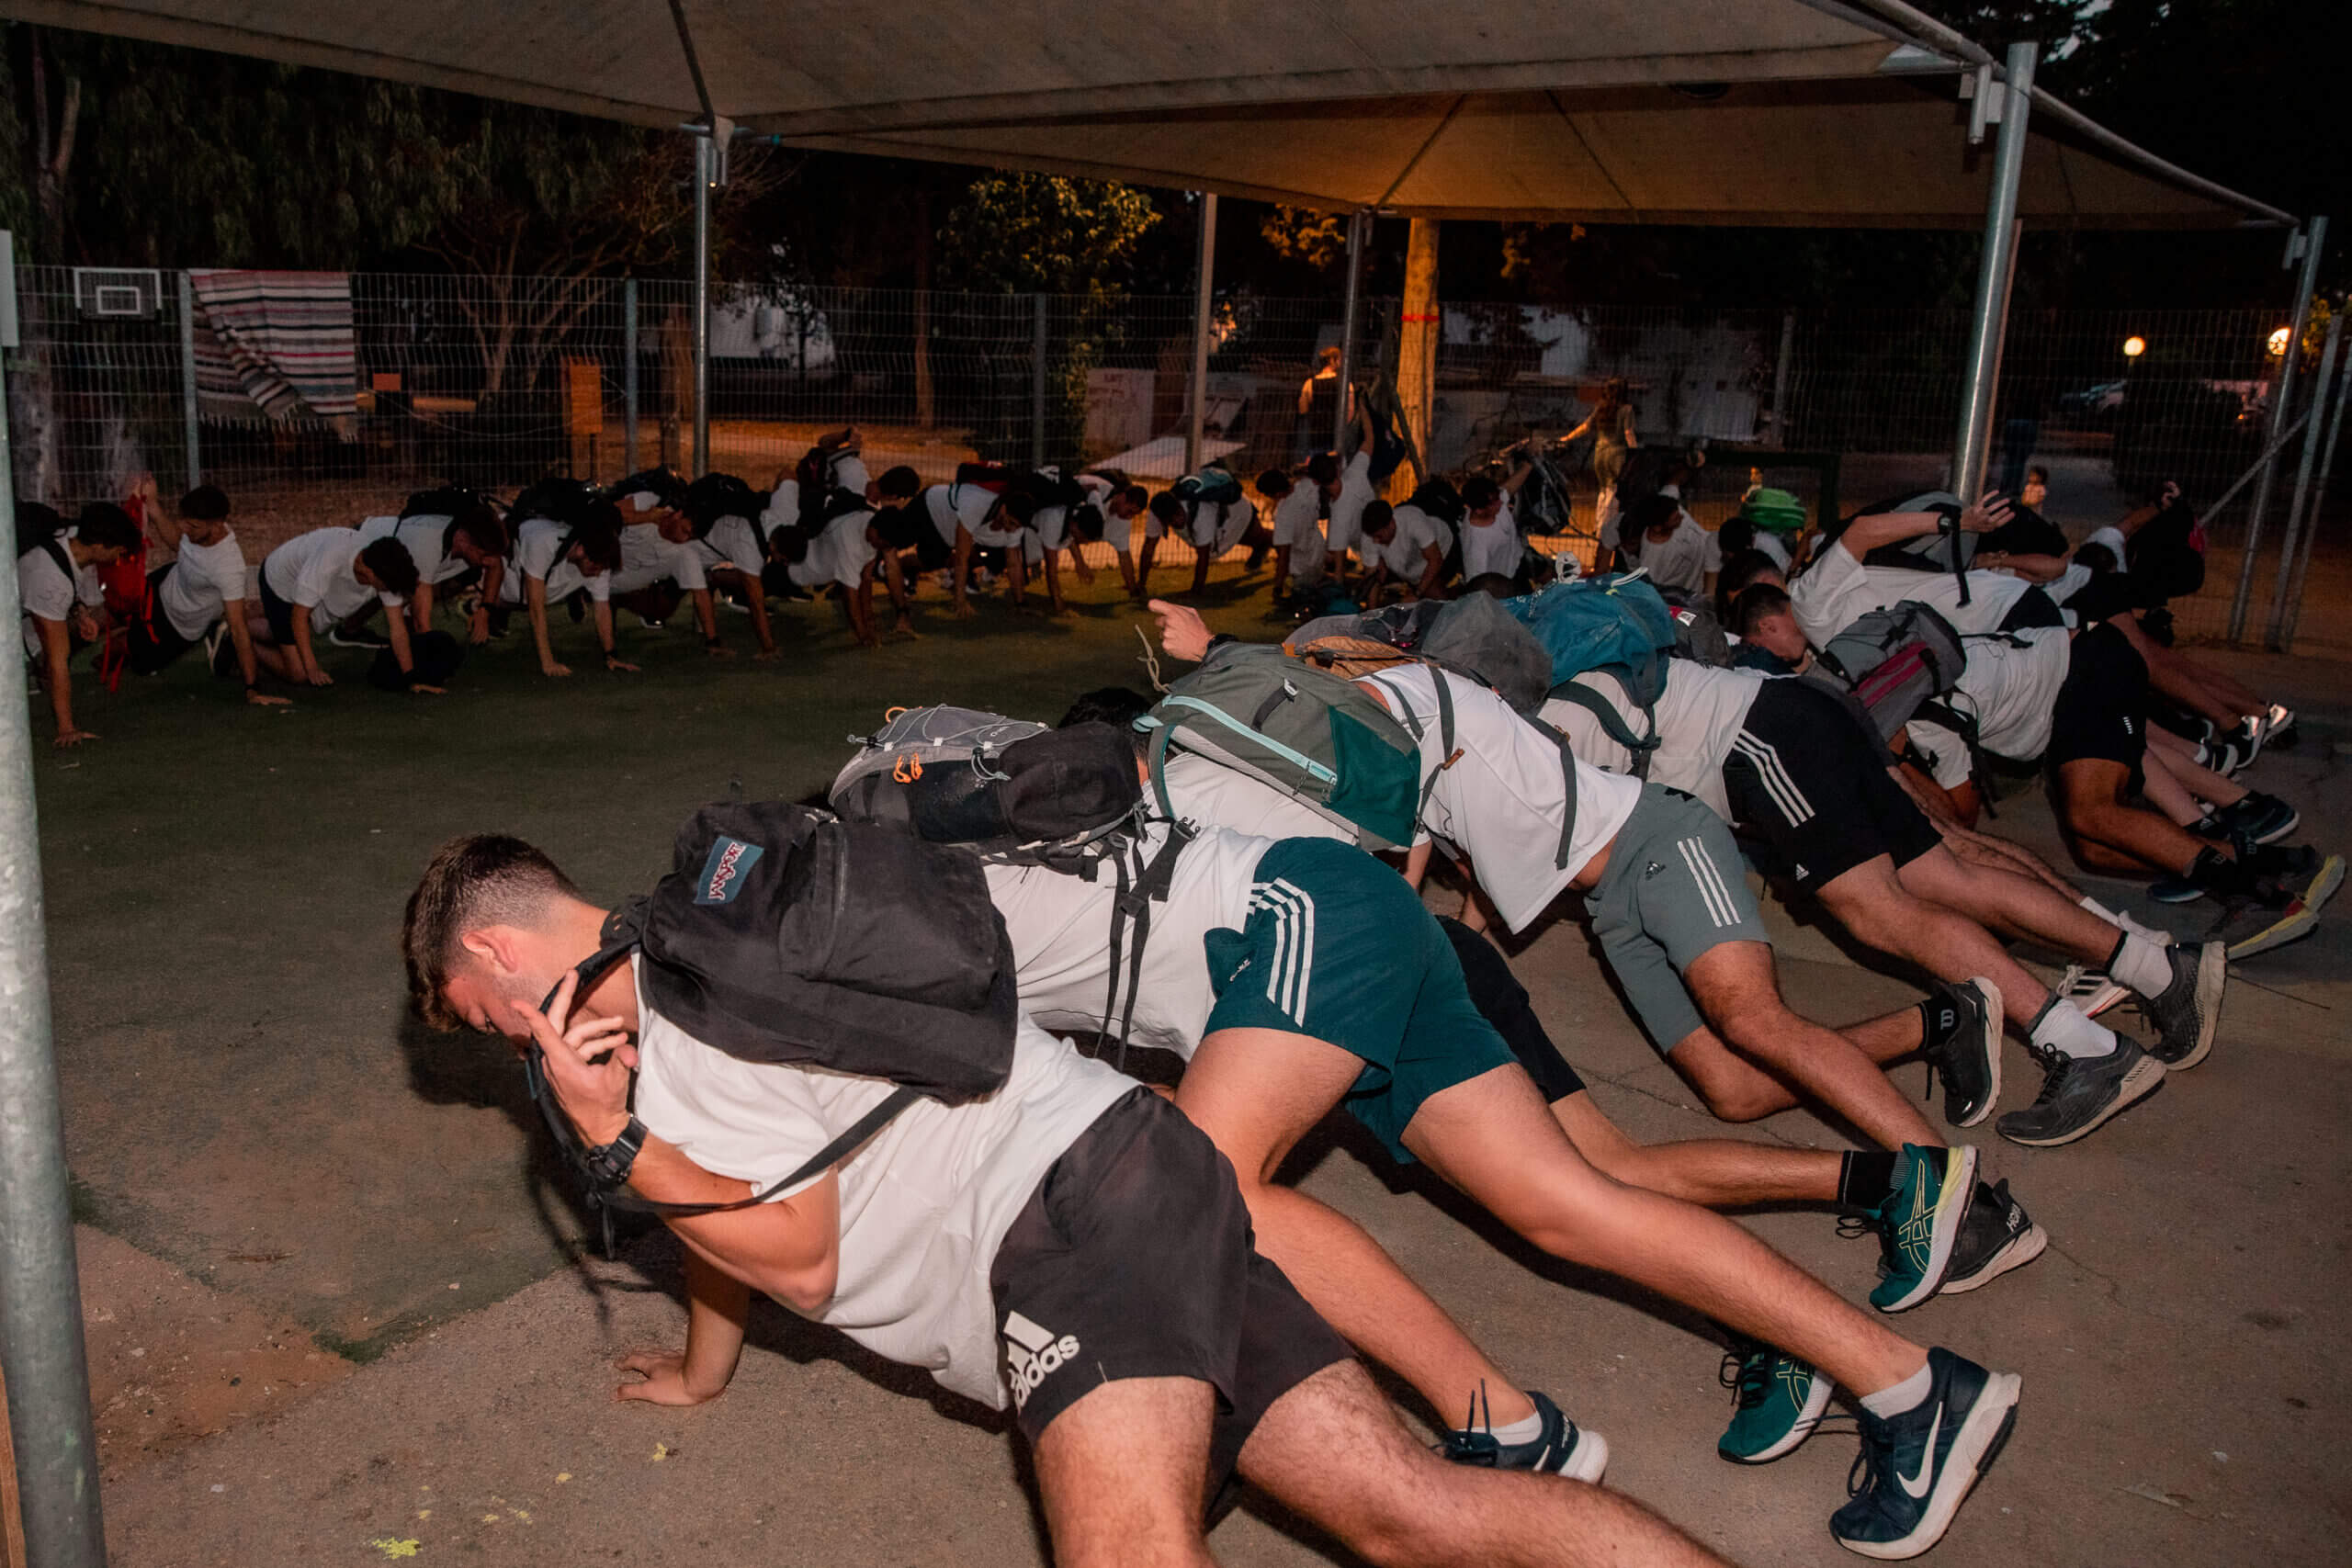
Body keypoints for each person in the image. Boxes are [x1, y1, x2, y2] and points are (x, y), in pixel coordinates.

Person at [404, 835, 1734, 1568]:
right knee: (1406, 1509)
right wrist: (704, 1371)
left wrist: (618, 1142)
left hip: (1063, 1226)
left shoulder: (668, 1049)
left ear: (493, 950)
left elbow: (797, 1257)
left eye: (481, 1015)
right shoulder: (709, 940)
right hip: (1138, 1168)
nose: (504, 1043)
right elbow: (747, 1202)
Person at [988, 752, 2022, 1558]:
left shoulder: (913, 878)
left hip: (1291, 925)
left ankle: (1517, 1428)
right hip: (1340, 925)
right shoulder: (944, 820)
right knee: (1570, 1202)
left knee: (1208, 1187)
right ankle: (1911, 1384)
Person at [1542, 656, 2220, 1147]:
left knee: (1879, 912)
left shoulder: (1547, 719)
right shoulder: (1562, 676)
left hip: (1759, 743)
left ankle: (2083, 1046)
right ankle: (2160, 968)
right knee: (1947, 878)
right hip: (1801, 708)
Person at [120, 484, 288, 706]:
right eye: (183, 520)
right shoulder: (197, 532)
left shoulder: (228, 567)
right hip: (160, 584)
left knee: (136, 662)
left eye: (192, 526)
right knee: (112, 611)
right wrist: (151, 503)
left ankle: (219, 634)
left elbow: (239, 630)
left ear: (217, 526)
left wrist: (252, 689)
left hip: (177, 625)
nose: (183, 528)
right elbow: (178, 543)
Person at [250, 525, 444, 693]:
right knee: (299, 673)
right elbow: (299, 616)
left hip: (307, 582)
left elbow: (398, 630)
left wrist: (410, 679)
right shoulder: (331, 560)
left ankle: (246, 629)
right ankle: (242, 641)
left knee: (284, 634)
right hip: (280, 582)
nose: (389, 592)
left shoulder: (383, 566)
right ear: (369, 573)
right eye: (387, 587)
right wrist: (312, 669)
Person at [17, 501, 142, 746]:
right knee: (57, 655)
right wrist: (67, 728)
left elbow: (69, 581)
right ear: (99, 546)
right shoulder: (51, 580)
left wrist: (80, 613)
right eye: (119, 551)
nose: (120, 557)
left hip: (30, 604)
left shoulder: (73, 534)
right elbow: (57, 660)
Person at [500, 502, 636, 678]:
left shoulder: (598, 559)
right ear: (581, 550)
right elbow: (535, 608)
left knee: (531, 597)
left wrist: (610, 655)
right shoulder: (542, 540)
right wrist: (548, 662)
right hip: (498, 576)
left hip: (526, 591)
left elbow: (602, 608)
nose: (597, 574)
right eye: (595, 568)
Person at [607, 472, 732, 655]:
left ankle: (611, 601)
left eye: (690, 538)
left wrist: (713, 641)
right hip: (593, 560)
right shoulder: (651, 502)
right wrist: (647, 517)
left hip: (614, 584)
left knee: (661, 609)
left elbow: (701, 594)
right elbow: (606, 513)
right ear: (677, 515)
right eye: (685, 531)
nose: (683, 539)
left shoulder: (684, 552)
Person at [357, 499, 510, 643]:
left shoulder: (468, 542)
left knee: (465, 577)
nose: (488, 561)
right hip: (363, 545)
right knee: (382, 590)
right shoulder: (427, 546)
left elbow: (496, 565)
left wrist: (484, 611)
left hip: (403, 560)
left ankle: (405, 613)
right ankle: (350, 630)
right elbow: (421, 624)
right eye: (484, 555)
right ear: (464, 540)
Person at [1564, 378, 1636, 533]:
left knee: (1603, 490)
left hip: (1600, 453)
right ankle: (1605, 528)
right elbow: (1628, 433)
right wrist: (1635, 453)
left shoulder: (1601, 408)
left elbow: (1586, 426)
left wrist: (1567, 438)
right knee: (1613, 491)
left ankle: (1598, 525)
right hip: (1617, 454)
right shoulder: (1627, 410)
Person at [1357, 498, 1454, 605]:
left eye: (1379, 536)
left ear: (1391, 524)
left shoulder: (1413, 521)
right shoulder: (1368, 537)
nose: (1375, 541)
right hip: (1410, 567)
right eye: (1373, 537)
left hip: (1443, 551)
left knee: (1435, 594)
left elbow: (1435, 560)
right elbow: (1372, 581)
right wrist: (1372, 612)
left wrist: (1417, 593)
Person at [1623, 491, 1719, 598]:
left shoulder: (1669, 510)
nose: (1682, 517)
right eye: (1675, 519)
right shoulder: (1651, 561)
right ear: (1658, 528)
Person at [1457, 475, 1522, 584]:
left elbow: (1509, 488)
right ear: (1479, 511)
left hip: (1517, 556)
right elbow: (1478, 584)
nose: (1501, 502)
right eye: (1495, 501)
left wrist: (1529, 466)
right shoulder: (1476, 548)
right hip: (1505, 579)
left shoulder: (1491, 502)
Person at [1294, 344, 1353, 463]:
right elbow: (1350, 411)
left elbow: (1303, 410)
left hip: (1316, 436)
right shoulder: (1345, 384)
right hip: (1336, 437)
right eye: (1340, 359)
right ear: (1332, 360)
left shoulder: (1309, 384)